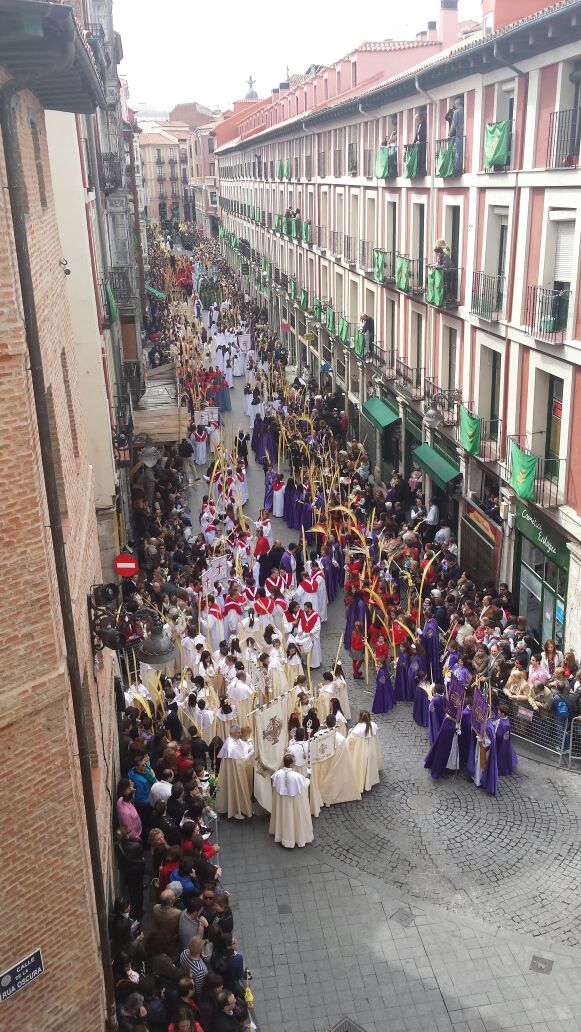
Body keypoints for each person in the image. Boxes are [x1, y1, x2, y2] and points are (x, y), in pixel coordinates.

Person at [269, 753, 314, 849]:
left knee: (283, 817)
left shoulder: (277, 774)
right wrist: (309, 776)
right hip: (292, 803)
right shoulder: (296, 776)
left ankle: (282, 836)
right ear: (292, 764)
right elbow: (304, 786)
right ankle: (294, 837)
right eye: (294, 761)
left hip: (281, 802)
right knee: (293, 818)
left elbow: (274, 784)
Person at [215, 725, 253, 820]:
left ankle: (242, 808)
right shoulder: (230, 744)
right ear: (233, 733)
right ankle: (235, 810)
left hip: (237, 770)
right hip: (233, 772)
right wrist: (253, 751)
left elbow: (244, 748)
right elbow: (242, 760)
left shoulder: (236, 739)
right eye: (239, 732)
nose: (240, 734)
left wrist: (253, 746)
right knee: (234, 789)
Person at [346, 710, 382, 793]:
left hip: (361, 754)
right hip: (371, 752)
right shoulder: (373, 726)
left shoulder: (357, 729)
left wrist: (350, 732)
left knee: (360, 770)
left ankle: (361, 784)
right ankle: (369, 782)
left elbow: (349, 743)